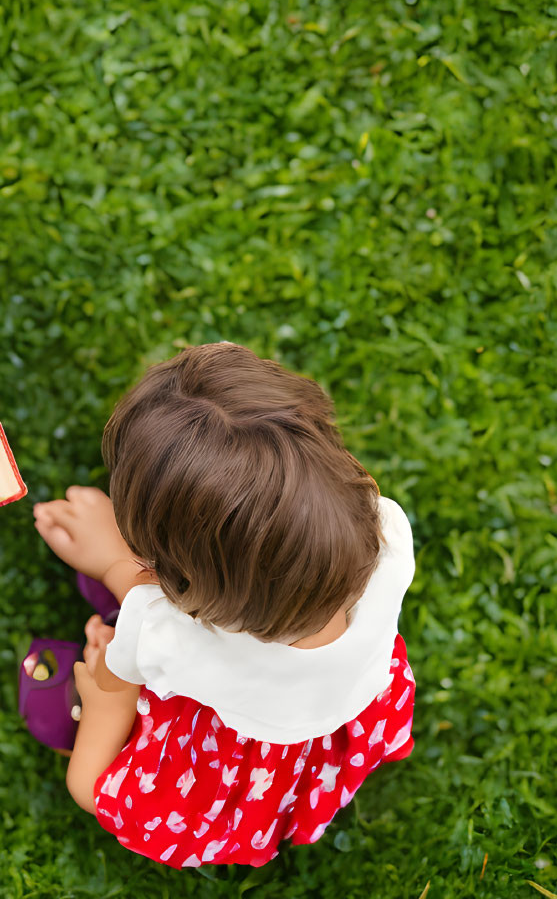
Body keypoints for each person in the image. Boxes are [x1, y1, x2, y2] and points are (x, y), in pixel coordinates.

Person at [25, 343, 417, 868]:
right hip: (329, 725)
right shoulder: (386, 528)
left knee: (87, 697)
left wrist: (107, 699)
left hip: (224, 771)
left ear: (182, 584)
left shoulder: (169, 639)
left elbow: (89, 788)